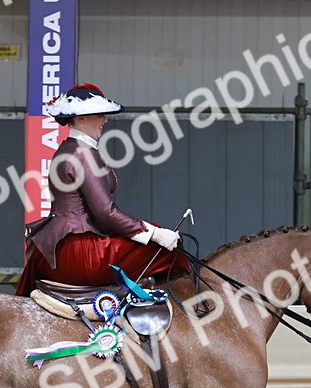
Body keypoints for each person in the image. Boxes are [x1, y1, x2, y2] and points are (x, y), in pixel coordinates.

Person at [15, 83, 186, 297]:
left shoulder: (66, 149)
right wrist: (154, 233)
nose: (105, 120)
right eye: (99, 115)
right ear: (81, 118)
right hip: (81, 252)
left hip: (56, 250)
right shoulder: (84, 154)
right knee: (169, 252)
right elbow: (105, 212)